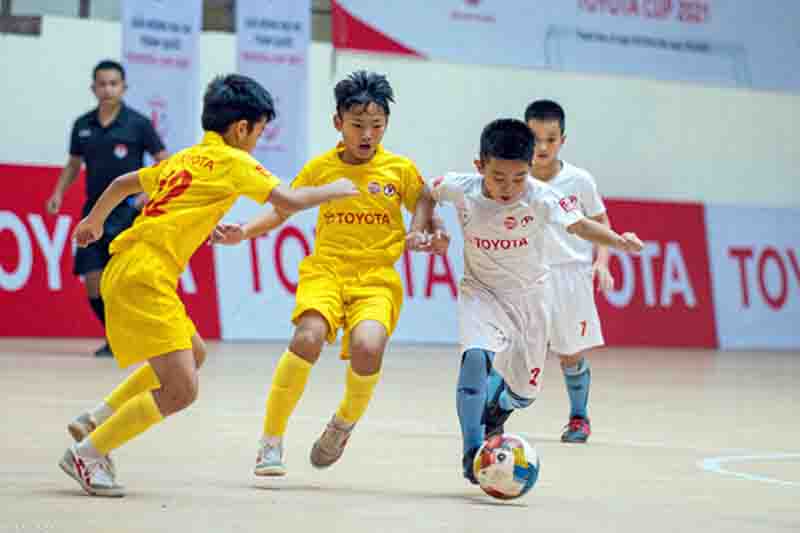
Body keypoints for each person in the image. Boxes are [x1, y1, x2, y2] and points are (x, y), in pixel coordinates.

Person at [58, 74, 358, 497]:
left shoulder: (187, 157)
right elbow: (288, 201)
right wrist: (335, 189)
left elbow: (122, 184)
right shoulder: (235, 162)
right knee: (181, 390)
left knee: (194, 353)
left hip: (130, 266)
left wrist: (94, 221)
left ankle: (98, 416)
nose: (257, 142)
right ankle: (90, 452)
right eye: (259, 133)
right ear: (242, 129)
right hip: (146, 278)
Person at [212, 70, 441, 477]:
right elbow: (282, 209)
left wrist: (421, 232)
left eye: (377, 126)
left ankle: (342, 424)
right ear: (338, 123)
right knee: (308, 337)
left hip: (376, 279)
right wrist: (244, 231)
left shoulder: (400, 169)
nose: (367, 135)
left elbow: (424, 200)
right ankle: (271, 441)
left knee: (368, 346)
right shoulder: (321, 168)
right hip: (327, 272)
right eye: (357, 125)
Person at [413, 118, 642, 484]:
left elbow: (581, 225)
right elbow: (427, 190)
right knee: (475, 360)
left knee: (523, 395)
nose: (509, 188)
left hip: (531, 299)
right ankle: (472, 452)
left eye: (519, 178)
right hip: (480, 293)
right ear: (480, 166)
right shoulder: (462, 187)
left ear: (530, 168)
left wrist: (618, 242)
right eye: (498, 178)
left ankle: (498, 407)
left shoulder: (542, 197)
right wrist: (421, 227)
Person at [46, 60, 168, 357]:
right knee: (93, 282)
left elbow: (165, 161)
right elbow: (73, 165)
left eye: (113, 84)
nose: (108, 89)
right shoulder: (82, 125)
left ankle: (132, 337)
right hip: (93, 213)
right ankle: (116, 337)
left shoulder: (138, 123)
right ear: (93, 88)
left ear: (124, 87)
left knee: (122, 282)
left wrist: (147, 194)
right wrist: (58, 193)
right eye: (102, 84)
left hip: (127, 213)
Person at [525, 99, 612, 443]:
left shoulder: (579, 180)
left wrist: (601, 262)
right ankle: (494, 416)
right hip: (527, 274)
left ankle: (579, 417)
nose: (542, 147)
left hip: (571, 275)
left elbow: (601, 221)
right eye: (535, 138)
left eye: (551, 139)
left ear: (563, 140)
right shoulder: (515, 176)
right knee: (515, 350)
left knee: (570, 352)